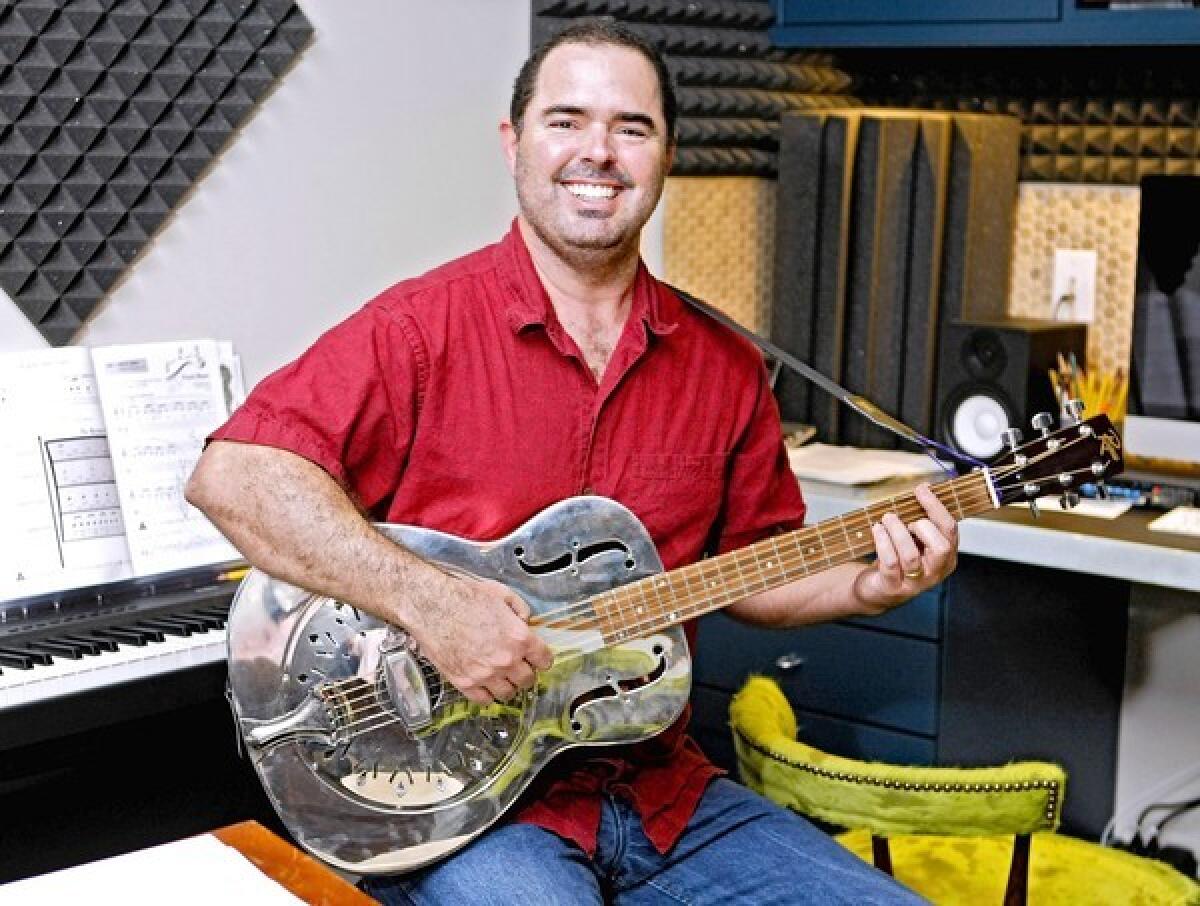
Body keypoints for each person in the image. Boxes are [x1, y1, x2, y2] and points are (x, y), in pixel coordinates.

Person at [187, 20, 957, 905]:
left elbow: (748, 572)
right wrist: (435, 604)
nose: (599, 152)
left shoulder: (725, 364)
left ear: (668, 154)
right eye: (566, 120)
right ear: (514, 143)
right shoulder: (418, 329)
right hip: (461, 810)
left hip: (666, 794)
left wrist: (868, 587)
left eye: (632, 127)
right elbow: (235, 476)